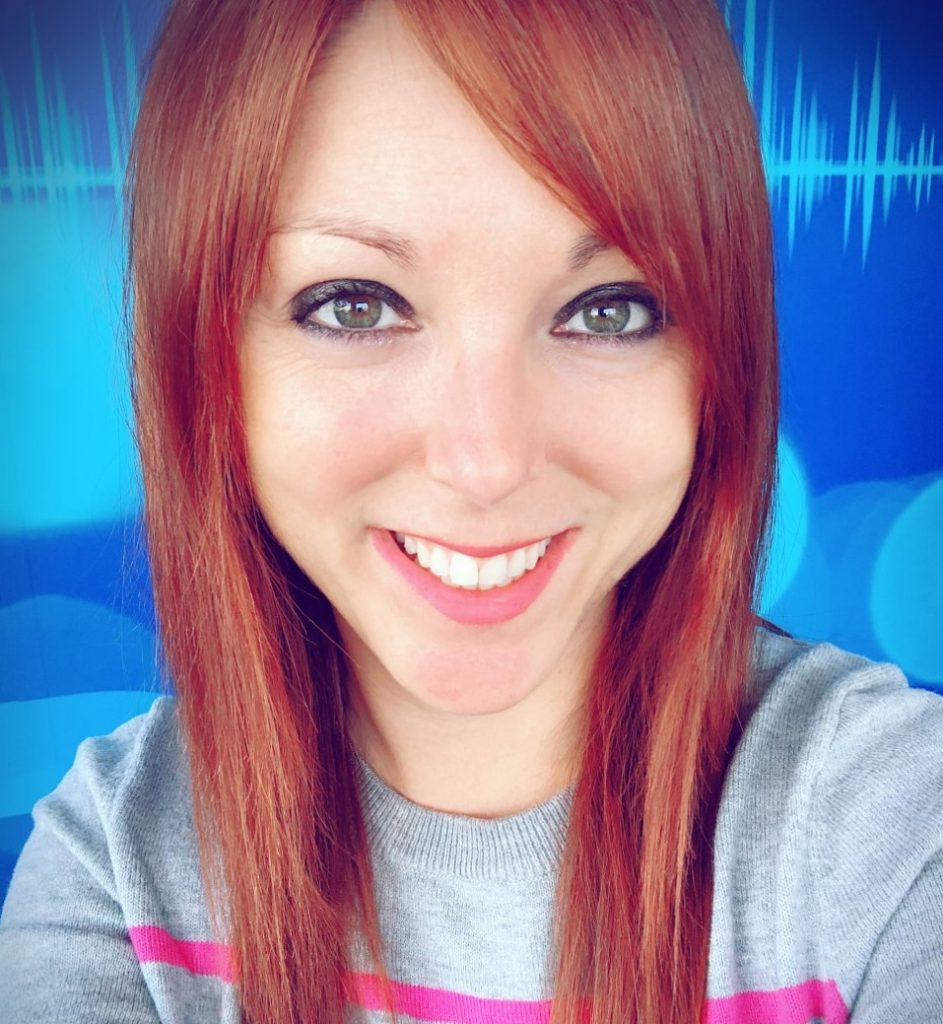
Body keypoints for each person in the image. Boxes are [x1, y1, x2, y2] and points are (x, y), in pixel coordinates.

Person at [1, 0, 942, 1021]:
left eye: (608, 310)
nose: (487, 463)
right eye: (356, 305)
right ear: (206, 358)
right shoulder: (116, 869)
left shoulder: (894, 825)